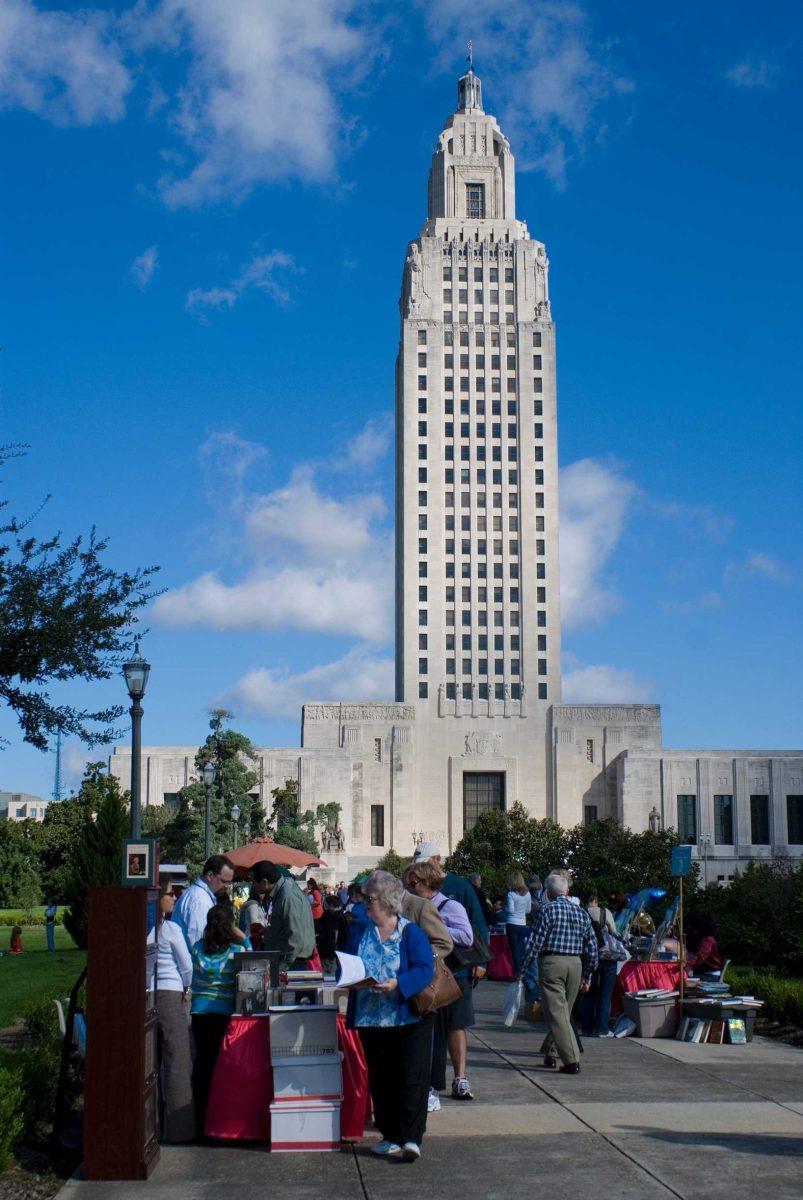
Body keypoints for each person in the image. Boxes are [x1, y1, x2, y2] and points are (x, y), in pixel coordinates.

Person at [347, 870, 434, 1162]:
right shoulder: (361, 930)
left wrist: (399, 984)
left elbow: (424, 969)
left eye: (369, 898)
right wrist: (352, 979)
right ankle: (390, 1134)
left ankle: (411, 1137)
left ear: (385, 900)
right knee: (382, 1079)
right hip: (372, 1017)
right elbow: (345, 964)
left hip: (406, 1016)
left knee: (410, 1077)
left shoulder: (410, 932)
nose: (364, 903)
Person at [412, 841, 488, 1101]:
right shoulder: (415, 897)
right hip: (429, 973)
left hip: (456, 972)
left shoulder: (459, 888)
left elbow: (475, 926)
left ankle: (460, 1077)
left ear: (435, 861)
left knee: (457, 1025)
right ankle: (433, 1082)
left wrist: (481, 961)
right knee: (431, 1028)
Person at [403, 861, 472, 1112]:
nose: (409, 888)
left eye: (413, 884)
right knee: (430, 1035)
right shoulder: (414, 905)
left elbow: (466, 936)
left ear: (428, 882)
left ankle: (458, 1078)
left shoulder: (448, 906)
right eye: (407, 884)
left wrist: (437, 925)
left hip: (451, 977)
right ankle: (432, 1085)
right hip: (428, 978)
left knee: (452, 1028)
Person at [518, 872, 598, 1074]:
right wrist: (588, 975)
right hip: (576, 964)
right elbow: (592, 947)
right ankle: (551, 1052)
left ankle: (571, 1060)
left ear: (548, 893)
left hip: (552, 962)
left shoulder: (546, 911)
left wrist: (522, 969)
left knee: (557, 1014)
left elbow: (534, 943)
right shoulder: (581, 913)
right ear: (567, 891)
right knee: (564, 1012)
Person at [190, 901, 249, 1134]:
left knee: (203, 1065)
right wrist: (242, 936)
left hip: (199, 1012)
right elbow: (254, 953)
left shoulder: (197, 948)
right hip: (223, 1012)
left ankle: (199, 1116)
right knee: (220, 1068)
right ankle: (219, 1118)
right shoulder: (236, 952)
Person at [155, 886, 195, 1142]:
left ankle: (151, 1126)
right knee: (178, 1061)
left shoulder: (142, 928)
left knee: (149, 1064)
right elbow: (186, 965)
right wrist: (186, 986)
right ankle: (179, 1130)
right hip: (170, 991)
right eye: (169, 894)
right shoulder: (170, 929)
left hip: (146, 993)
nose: (174, 898)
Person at [172, 854, 235, 954]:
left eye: (229, 883)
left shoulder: (199, 895)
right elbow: (197, 945)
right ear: (210, 876)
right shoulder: (200, 901)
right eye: (224, 881)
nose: (227, 886)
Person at [258, 862, 316, 969]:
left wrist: (284, 966)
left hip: (292, 963)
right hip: (288, 959)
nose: (254, 886)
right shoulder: (281, 892)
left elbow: (296, 937)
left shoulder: (287, 896)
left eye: (254, 882)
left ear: (264, 882)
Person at [578, 891, 618, 1038]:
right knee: (605, 994)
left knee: (588, 993)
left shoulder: (581, 912)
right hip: (605, 956)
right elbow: (614, 932)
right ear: (595, 900)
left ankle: (586, 1028)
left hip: (587, 956)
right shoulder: (604, 912)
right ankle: (602, 1029)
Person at [504, 871, 533, 973]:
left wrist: (505, 908)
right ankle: (522, 970)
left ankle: (517, 971)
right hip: (522, 923)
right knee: (521, 949)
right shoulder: (528, 894)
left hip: (512, 922)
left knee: (514, 949)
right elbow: (528, 910)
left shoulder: (511, 894)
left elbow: (510, 910)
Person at [318, 893, 349, 973]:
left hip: (337, 942)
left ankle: (329, 969)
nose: (325, 906)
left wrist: (334, 944)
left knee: (333, 960)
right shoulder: (340, 914)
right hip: (341, 941)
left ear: (331, 905)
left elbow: (336, 931)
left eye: (326, 904)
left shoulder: (336, 916)